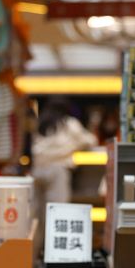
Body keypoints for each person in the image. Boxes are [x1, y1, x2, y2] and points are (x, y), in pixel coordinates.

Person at [31, 99, 97, 255]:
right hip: (57, 171)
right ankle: (53, 255)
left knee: (37, 218)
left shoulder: (41, 123)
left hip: (37, 171)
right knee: (57, 215)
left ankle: (35, 257)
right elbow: (90, 140)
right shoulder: (69, 123)